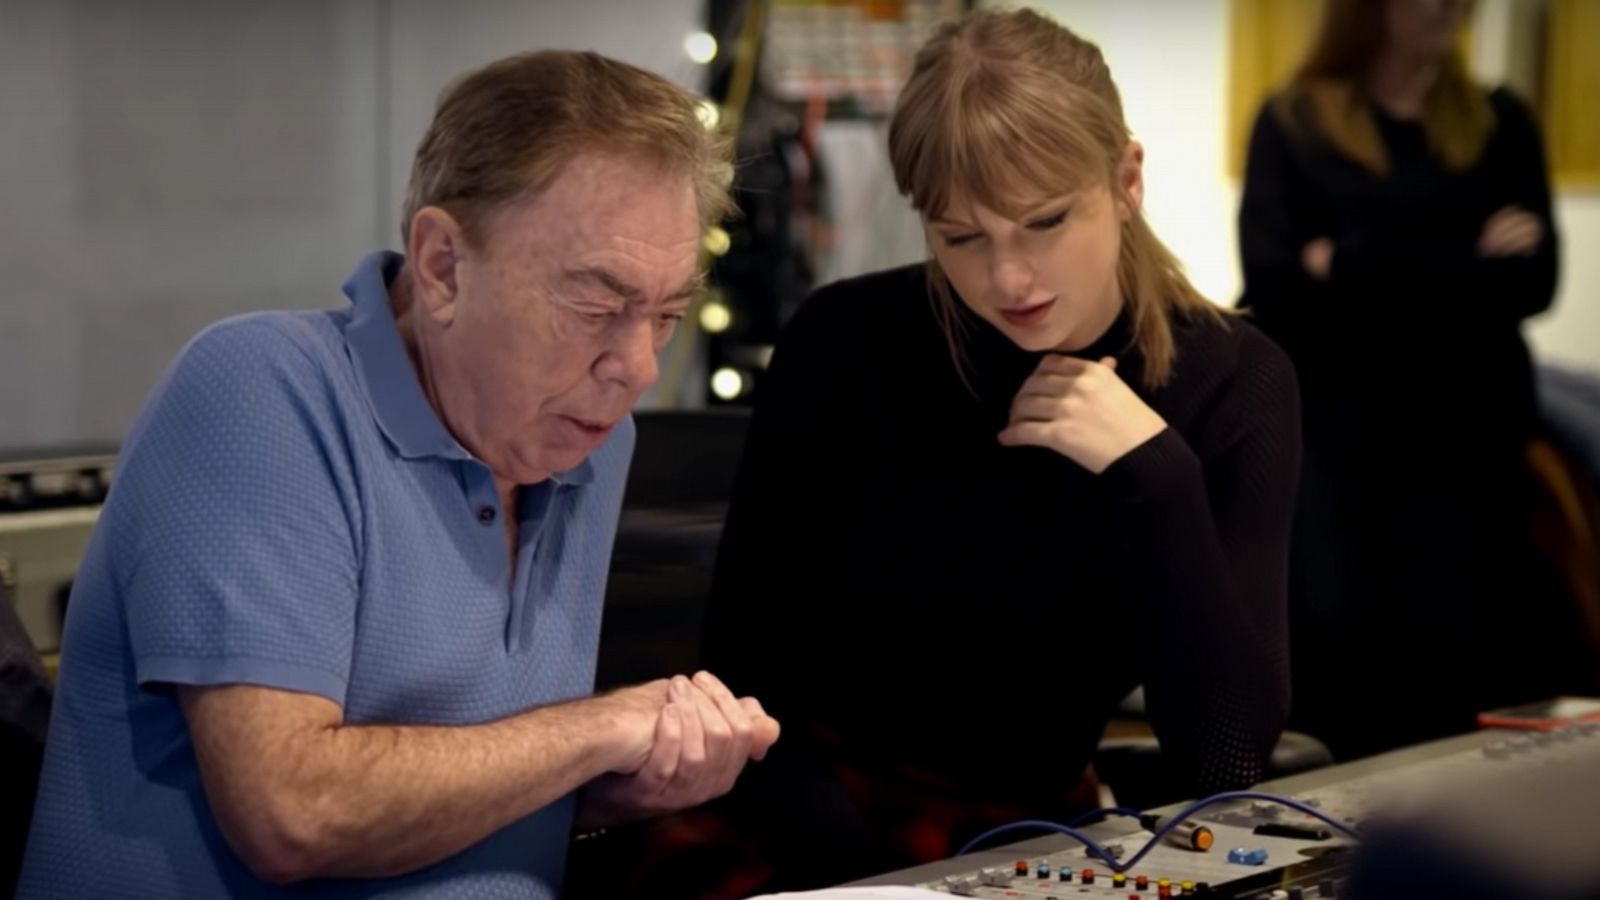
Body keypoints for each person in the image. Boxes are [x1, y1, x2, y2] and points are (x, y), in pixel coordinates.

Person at [17, 50, 778, 899]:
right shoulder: (263, 389)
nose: (637, 365)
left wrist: (624, 782)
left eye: (667, 314)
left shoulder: (589, 440)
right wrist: (602, 726)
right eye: (596, 307)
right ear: (444, 266)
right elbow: (292, 814)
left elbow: (477, 772)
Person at [696, 7, 1300, 890]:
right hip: (808, 825)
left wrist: (1155, 473)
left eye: (1045, 222)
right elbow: (743, 687)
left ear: (1126, 177)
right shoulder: (845, 340)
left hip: (1037, 831)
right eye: (961, 238)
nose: (1007, 278)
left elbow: (1231, 758)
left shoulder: (1234, 379)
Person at [1237, 0, 1573, 761]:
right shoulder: (1295, 122)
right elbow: (1277, 286)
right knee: (1349, 666)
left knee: (1463, 667)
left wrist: (1352, 260)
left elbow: (1535, 281)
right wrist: (1466, 258)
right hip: (1345, 448)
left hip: (1468, 448)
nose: (1454, 7)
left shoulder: (1499, 121)